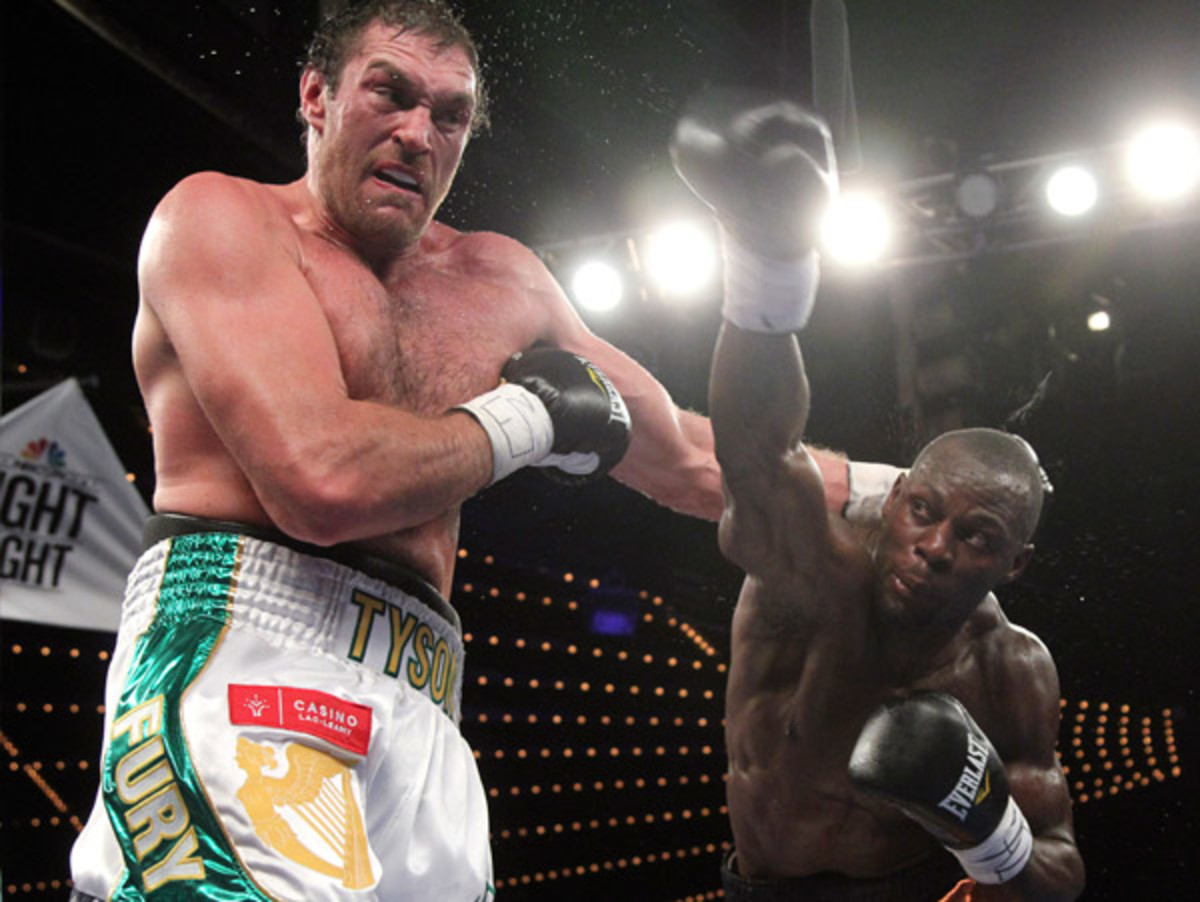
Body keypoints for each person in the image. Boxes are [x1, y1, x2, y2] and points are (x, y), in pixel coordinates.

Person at [68, 3, 883, 899]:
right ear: (316, 97)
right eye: (390, 93)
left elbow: (694, 460)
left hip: (423, 700)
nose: (418, 133)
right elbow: (323, 481)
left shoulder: (503, 280)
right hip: (240, 650)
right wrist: (530, 418)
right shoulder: (222, 220)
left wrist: (903, 492)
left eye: (449, 114)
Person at [672, 89, 1086, 900]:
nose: (934, 549)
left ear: (1015, 562)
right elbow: (758, 461)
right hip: (760, 885)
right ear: (895, 499)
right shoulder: (822, 569)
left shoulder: (1012, 668)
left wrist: (987, 830)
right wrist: (769, 258)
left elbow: (1060, 868)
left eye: (975, 537)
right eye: (924, 512)